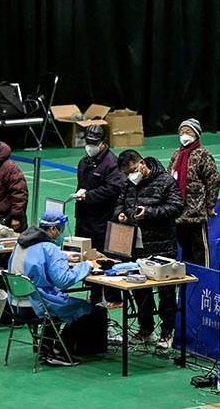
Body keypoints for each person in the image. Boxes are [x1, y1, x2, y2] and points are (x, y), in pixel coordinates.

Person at [7, 210, 105, 367]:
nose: (62, 231)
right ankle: (59, 352)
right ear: (53, 228)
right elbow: (63, 280)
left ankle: (45, 347)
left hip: (16, 304)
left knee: (58, 303)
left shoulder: (22, 242)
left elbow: (36, 259)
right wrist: (87, 265)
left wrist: (63, 257)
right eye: (61, 228)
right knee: (83, 309)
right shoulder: (49, 248)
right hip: (36, 304)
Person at [114, 149, 184, 349]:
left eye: (133, 170)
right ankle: (146, 329)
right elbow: (119, 203)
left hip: (162, 245)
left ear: (142, 164)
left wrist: (150, 212)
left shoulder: (166, 181)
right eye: (127, 173)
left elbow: (176, 207)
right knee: (140, 290)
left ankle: (167, 332)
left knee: (166, 292)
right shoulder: (129, 184)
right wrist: (120, 214)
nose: (131, 176)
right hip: (137, 246)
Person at [74, 124, 125, 305]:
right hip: (85, 218)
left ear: (103, 143)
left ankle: (113, 296)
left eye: (94, 143)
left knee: (106, 258)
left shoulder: (112, 163)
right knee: (89, 258)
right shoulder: (84, 162)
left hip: (103, 219)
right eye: (88, 142)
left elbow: (113, 189)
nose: (90, 146)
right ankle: (94, 294)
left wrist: (89, 196)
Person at [166, 118, 220, 267]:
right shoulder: (176, 154)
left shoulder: (203, 155)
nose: (184, 135)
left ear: (196, 134)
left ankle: (203, 282)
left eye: (188, 131)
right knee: (185, 252)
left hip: (196, 213)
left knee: (199, 252)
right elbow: (168, 179)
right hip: (178, 213)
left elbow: (213, 180)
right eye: (181, 132)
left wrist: (209, 205)